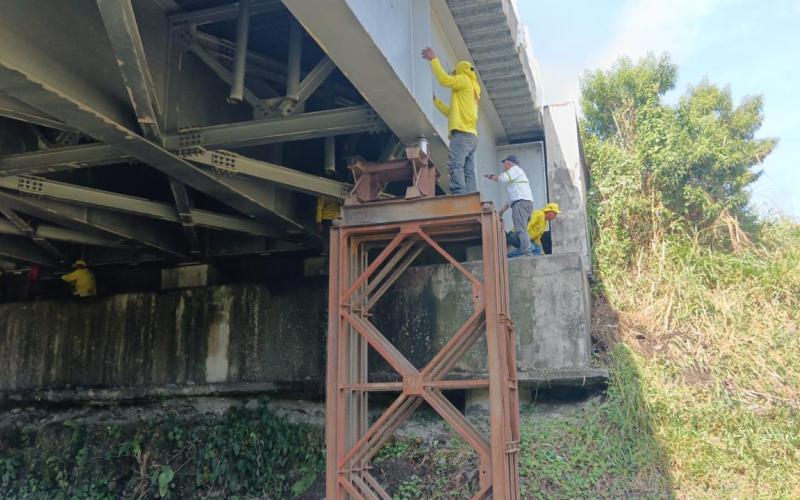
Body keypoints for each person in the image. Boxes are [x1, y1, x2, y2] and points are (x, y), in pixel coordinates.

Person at [421, 46, 481, 194]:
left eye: (455, 73)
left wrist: (433, 59)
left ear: (460, 71)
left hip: (461, 134)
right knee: (468, 169)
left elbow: (444, 80)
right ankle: (471, 195)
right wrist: (436, 101)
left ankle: (459, 194)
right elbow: (451, 113)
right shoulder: (473, 90)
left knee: (455, 164)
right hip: (472, 135)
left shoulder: (464, 80)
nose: (454, 76)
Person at [486, 155, 535, 257]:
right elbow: (511, 200)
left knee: (521, 229)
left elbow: (502, 179)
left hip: (521, 204)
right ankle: (526, 250)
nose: (504, 165)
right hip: (524, 203)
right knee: (520, 230)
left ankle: (526, 253)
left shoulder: (514, 170)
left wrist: (491, 177)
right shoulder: (516, 176)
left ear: (509, 162)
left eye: (504, 163)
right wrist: (501, 212)